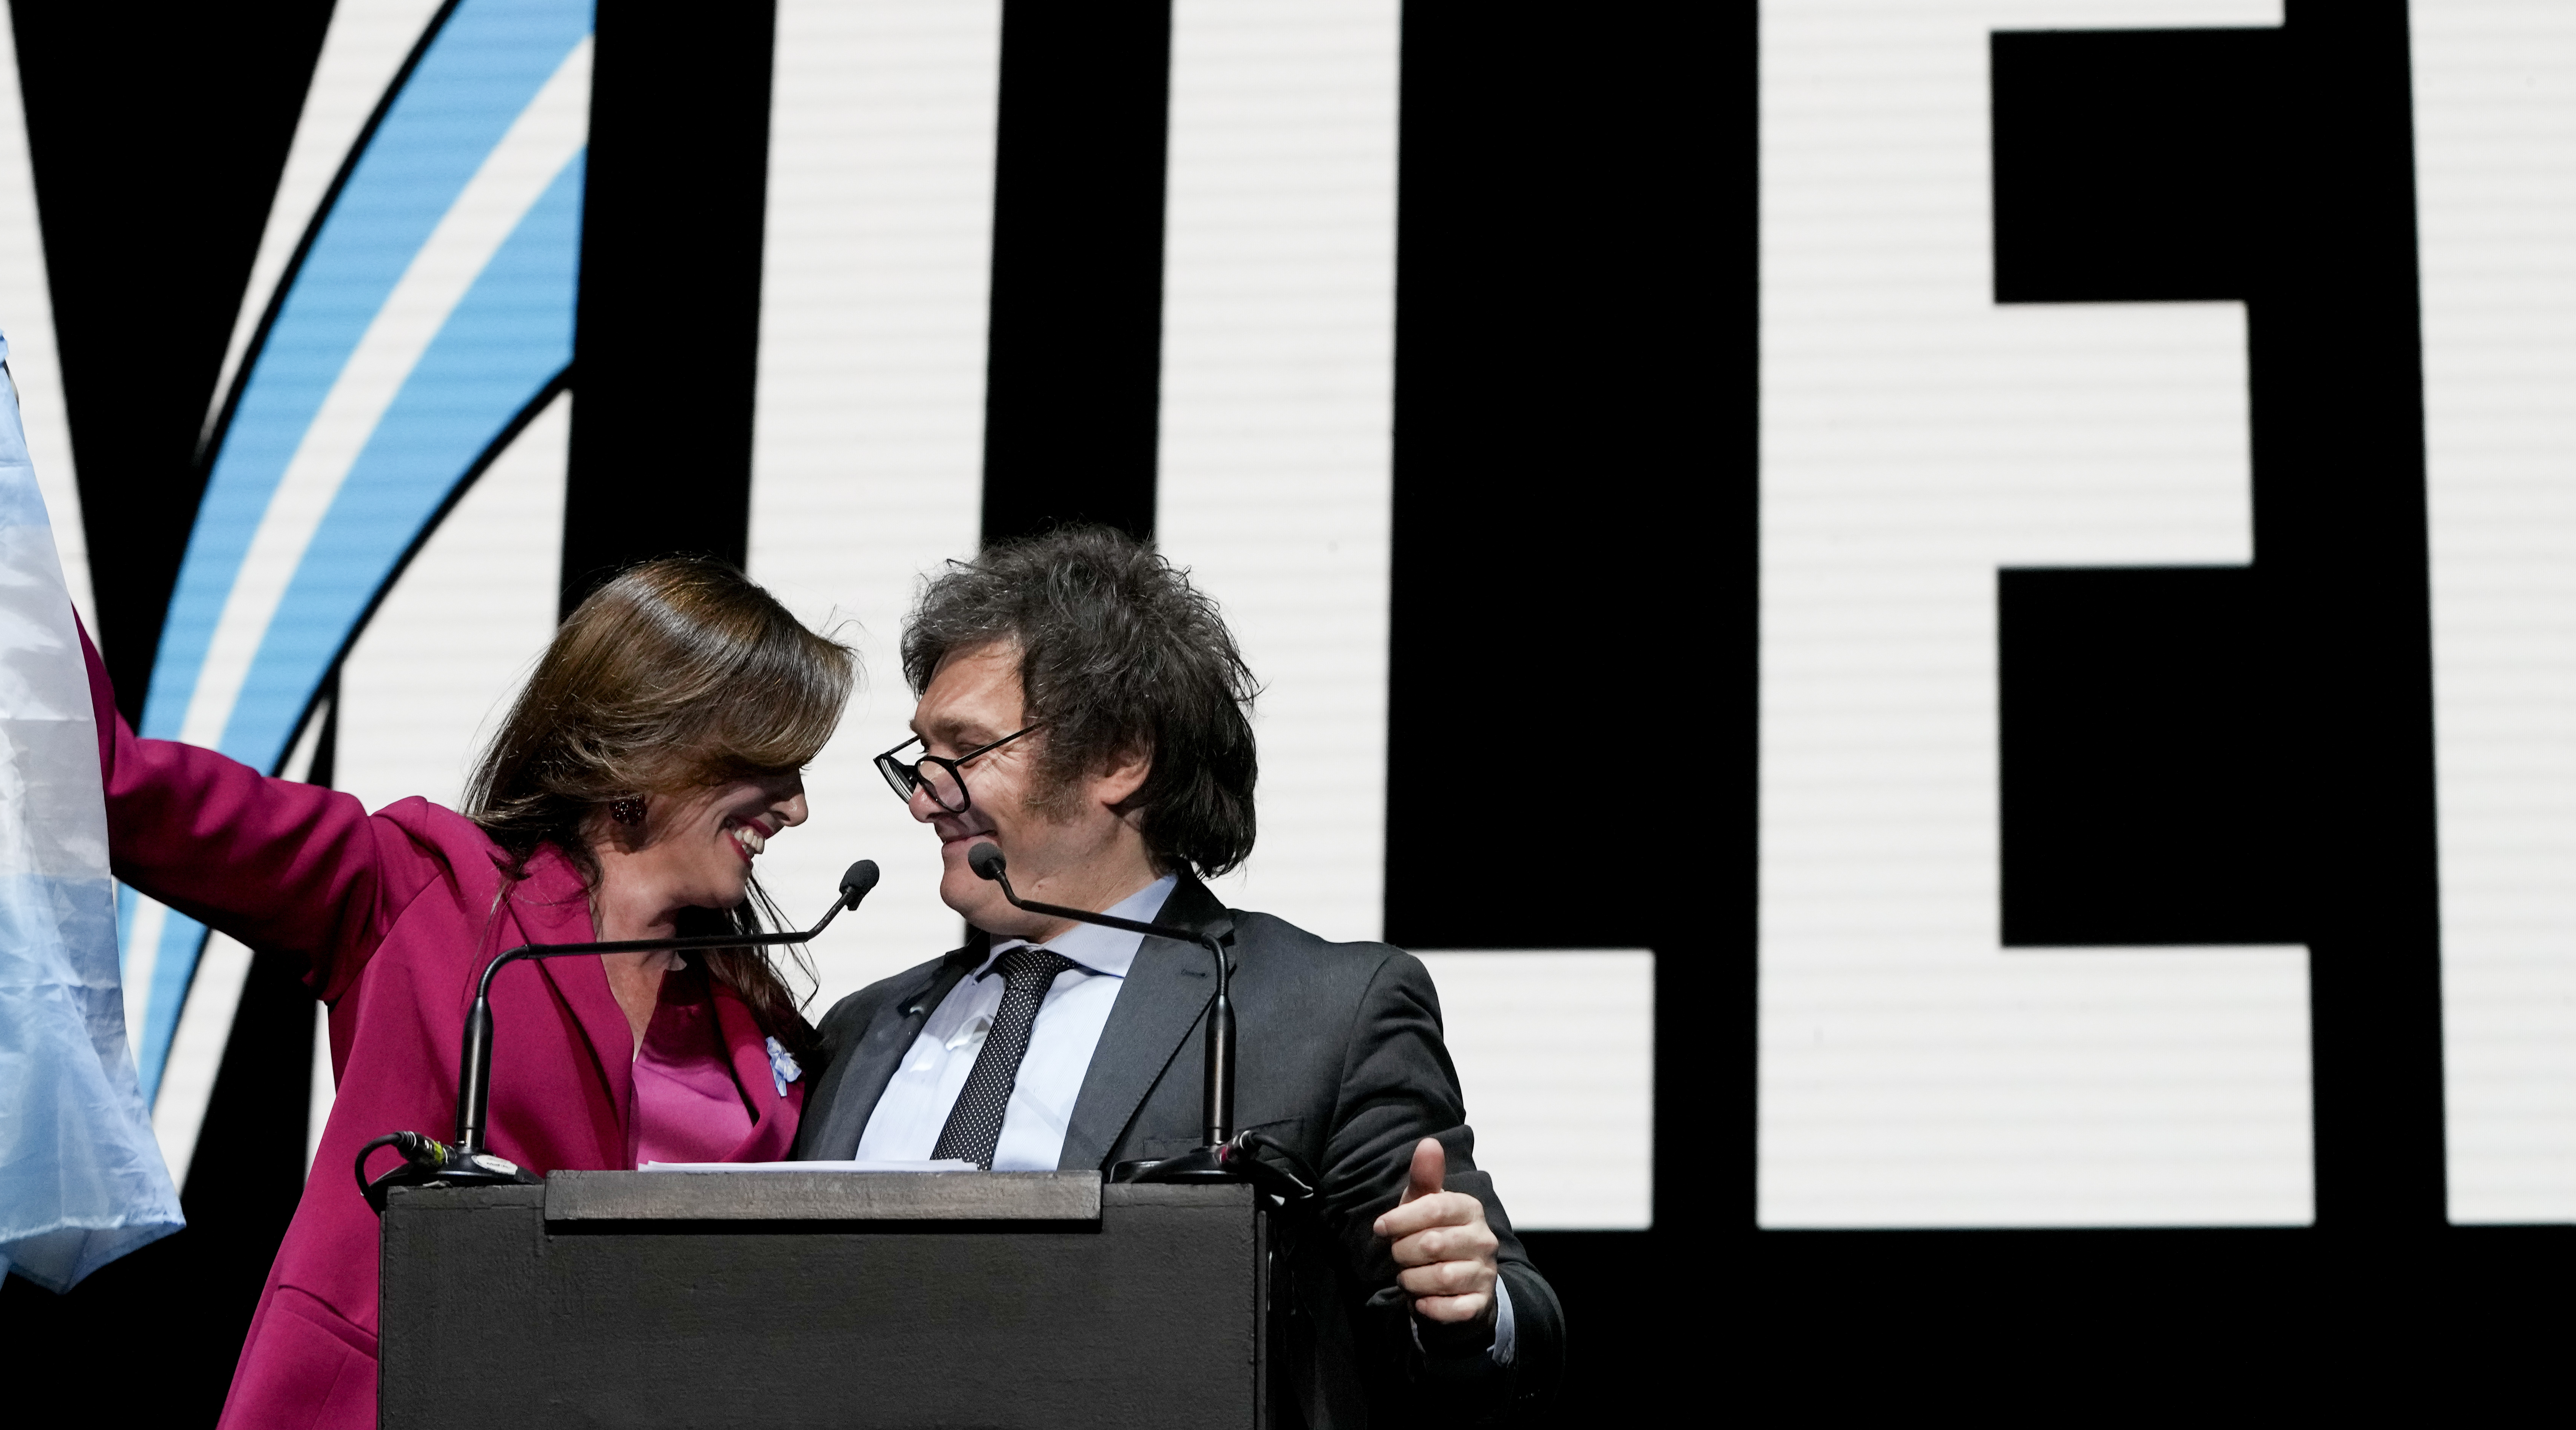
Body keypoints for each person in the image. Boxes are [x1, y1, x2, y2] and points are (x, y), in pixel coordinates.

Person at [793, 527, 1564, 1424]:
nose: (925, 794)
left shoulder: (1319, 1011)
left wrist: (1467, 1306)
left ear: (1121, 757)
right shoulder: (862, 1027)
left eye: (963, 750)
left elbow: (1517, 1324)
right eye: (917, 757)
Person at [96, 557, 852, 1428]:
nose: (795, 808)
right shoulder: (424, 891)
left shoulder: (757, 1022)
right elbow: (126, 791)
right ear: (658, 740)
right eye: (771, 764)